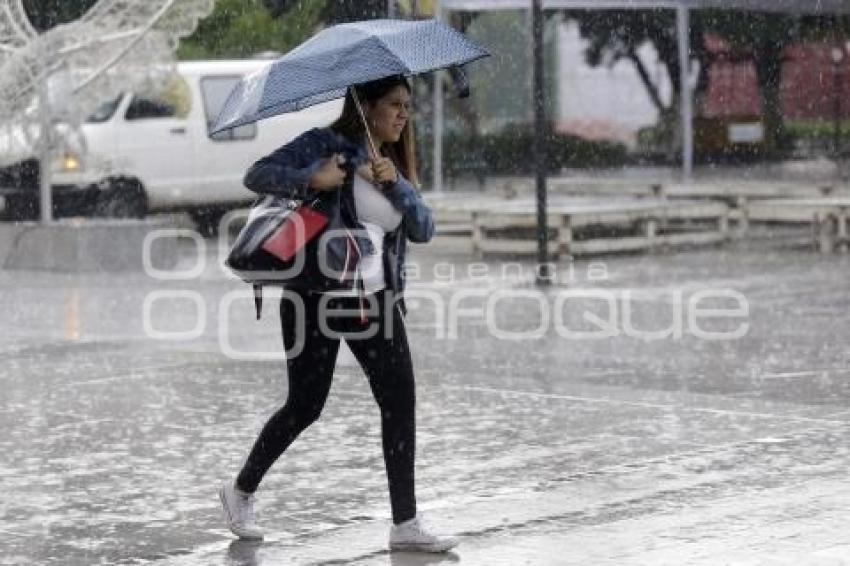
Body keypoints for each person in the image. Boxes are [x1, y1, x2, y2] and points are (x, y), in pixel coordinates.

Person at [219, 75, 458, 554]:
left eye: (408, 105)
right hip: (316, 295)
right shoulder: (325, 144)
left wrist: (397, 186)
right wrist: (314, 177)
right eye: (395, 104)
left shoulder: (390, 163)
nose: (404, 114)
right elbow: (257, 175)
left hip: (376, 300)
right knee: (305, 405)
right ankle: (240, 490)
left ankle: (405, 524)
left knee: (399, 402)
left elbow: (424, 228)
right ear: (366, 106)